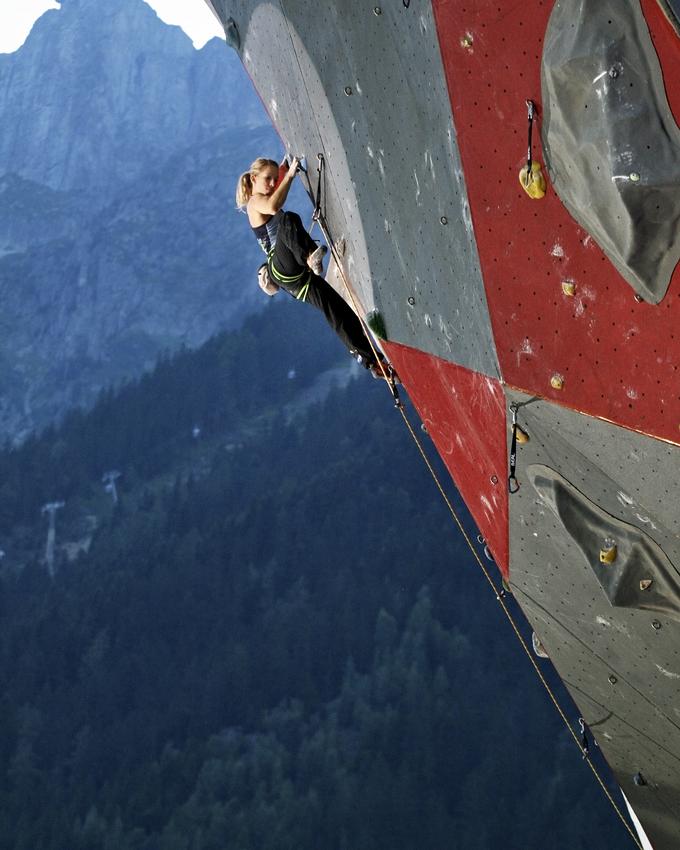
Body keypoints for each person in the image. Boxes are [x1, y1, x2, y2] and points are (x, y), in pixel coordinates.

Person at [235, 156, 388, 376]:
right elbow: (273, 205)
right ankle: (309, 256)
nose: (271, 184)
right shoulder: (255, 202)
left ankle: (372, 362)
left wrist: (286, 166)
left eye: (273, 180)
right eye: (267, 179)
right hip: (282, 268)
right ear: (253, 178)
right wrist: (289, 174)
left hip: (294, 279)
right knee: (289, 220)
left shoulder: (266, 191)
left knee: (338, 311)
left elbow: (276, 189)